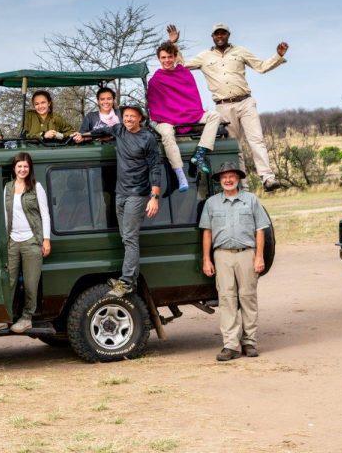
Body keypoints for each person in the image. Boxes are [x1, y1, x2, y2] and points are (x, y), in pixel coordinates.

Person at [167, 24, 289, 191]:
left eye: (223, 33)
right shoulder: (204, 56)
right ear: (212, 36)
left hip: (245, 102)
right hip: (223, 106)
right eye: (216, 34)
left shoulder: (240, 51)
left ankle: (267, 178)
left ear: (228, 35)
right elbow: (181, 65)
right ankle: (243, 186)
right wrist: (173, 44)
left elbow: (261, 67)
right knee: (234, 146)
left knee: (256, 140)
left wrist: (278, 56)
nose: (220, 36)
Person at [199, 162, 270, 361]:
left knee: (248, 297)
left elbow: (260, 230)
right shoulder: (211, 203)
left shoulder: (251, 200)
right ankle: (231, 345)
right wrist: (207, 259)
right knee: (226, 299)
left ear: (238, 179)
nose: (228, 180)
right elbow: (207, 232)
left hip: (247, 254)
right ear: (219, 181)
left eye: (231, 176)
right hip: (222, 255)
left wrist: (259, 256)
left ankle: (249, 342)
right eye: (224, 177)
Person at [90, 106, 162, 297]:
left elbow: (155, 167)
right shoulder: (119, 129)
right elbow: (102, 131)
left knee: (130, 238)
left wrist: (154, 197)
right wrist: (82, 135)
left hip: (137, 194)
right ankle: (132, 279)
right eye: (126, 116)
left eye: (132, 116)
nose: (128, 119)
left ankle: (127, 282)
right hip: (120, 193)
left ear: (140, 119)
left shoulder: (147, 138)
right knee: (126, 238)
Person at [0, 152, 51, 334]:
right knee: (8, 282)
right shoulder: (8, 187)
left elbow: (45, 214)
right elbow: (5, 215)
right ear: (14, 168)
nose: (22, 169)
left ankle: (26, 318)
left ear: (30, 168)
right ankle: (3, 319)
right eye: (19, 166)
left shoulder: (36, 187)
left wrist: (46, 239)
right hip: (12, 241)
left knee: (31, 283)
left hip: (32, 241)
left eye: (26, 166)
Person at [147, 41, 221, 192]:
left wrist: (174, 42)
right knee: (167, 134)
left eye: (170, 57)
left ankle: (200, 153)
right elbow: (154, 104)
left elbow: (189, 95)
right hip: (165, 117)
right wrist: (161, 117)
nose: (167, 60)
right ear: (159, 59)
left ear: (175, 57)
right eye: (163, 57)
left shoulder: (184, 73)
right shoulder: (155, 80)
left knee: (214, 115)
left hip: (188, 113)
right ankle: (180, 175)